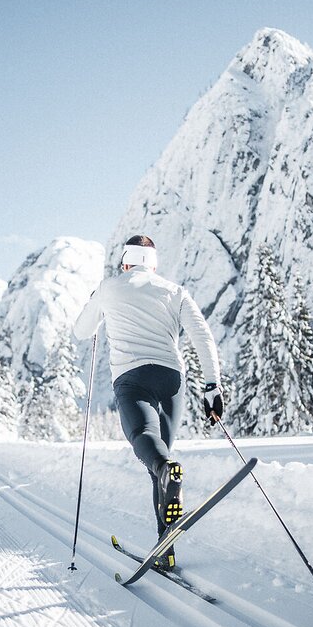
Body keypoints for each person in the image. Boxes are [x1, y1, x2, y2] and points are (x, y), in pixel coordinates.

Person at [73, 235, 224, 570]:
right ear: (153, 263)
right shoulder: (174, 291)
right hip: (172, 379)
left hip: (133, 378)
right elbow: (202, 336)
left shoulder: (110, 286)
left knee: (149, 446)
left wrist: (96, 303)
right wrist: (212, 386)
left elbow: (82, 330)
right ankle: (165, 547)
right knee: (162, 459)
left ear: (126, 261)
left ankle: (165, 490)